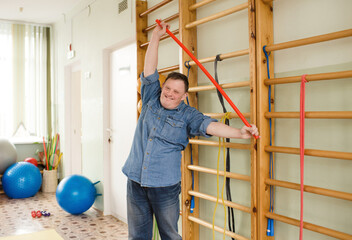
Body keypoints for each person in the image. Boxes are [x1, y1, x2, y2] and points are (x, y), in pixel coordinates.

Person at [122, 21, 259, 240]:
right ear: (162, 87)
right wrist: (156, 36)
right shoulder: (150, 97)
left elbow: (210, 125)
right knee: (137, 237)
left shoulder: (188, 114)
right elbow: (150, 70)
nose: (169, 93)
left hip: (164, 186)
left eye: (176, 91)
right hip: (135, 180)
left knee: (170, 235)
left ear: (184, 95)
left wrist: (240, 133)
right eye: (167, 88)